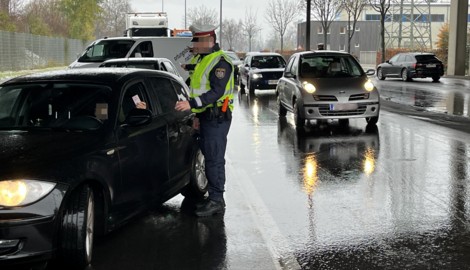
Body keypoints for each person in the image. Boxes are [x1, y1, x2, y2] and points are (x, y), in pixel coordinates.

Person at [174, 24, 234, 217]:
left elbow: (216, 92)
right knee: (210, 158)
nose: (194, 45)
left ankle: (217, 200)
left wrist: (191, 105)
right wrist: (198, 115)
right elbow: (198, 86)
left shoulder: (220, 62)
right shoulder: (203, 60)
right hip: (207, 117)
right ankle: (214, 197)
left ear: (209, 41)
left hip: (217, 118)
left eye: (197, 41)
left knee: (214, 160)